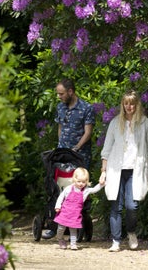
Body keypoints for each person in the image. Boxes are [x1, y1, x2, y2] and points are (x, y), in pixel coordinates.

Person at [99, 90, 148, 252]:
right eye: (126, 103)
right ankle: (116, 241)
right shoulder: (115, 123)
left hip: (136, 170)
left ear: (137, 104)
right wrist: (103, 171)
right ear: (122, 105)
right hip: (115, 169)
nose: (129, 106)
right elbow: (106, 149)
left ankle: (131, 232)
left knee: (132, 206)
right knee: (116, 206)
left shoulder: (144, 123)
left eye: (132, 103)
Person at [42, 79, 96, 239]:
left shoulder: (86, 108)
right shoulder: (60, 107)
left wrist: (76, 148)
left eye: (61, 93)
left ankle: (77, 224)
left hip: (80, 156)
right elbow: (60, 127)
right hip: (62, 155)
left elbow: (88, 132)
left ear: (70, 91)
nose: (59, 96)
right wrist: (61, 147)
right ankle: (54, 225)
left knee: (78, 191)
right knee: (58, 189)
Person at [54, 167, 104, 250]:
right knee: (61, 228)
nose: (81, 184)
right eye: (79, 181)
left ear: (87, 181)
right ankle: (60, 239)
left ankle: (73, 244)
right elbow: (61, 196)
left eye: (84, 182)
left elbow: (95, 189)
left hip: (75, 214)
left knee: (73, 230)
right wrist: (58, 206)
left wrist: (101, 184)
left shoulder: (86, 190)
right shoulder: (69, 188)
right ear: (74, 179)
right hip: (65, 212)